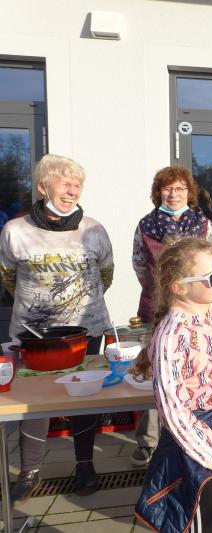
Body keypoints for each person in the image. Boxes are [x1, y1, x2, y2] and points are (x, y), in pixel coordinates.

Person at [0, 154, 114, 501]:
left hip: (85, 331)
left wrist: (76, 306)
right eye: (64, 183)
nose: (72, 190)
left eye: (77, 184)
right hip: (34, 336)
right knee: (33, 402)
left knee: (83, 398)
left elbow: (105, 275)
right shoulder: (15, 231)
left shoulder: (93, 229)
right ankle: (30, 471)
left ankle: (85, 464)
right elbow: (8, 277)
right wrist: (42, 307)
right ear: (42, 187)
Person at [132, 237, 212, 533]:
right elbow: (173, 411)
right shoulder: (171, 334)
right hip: (192, 447)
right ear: (180, 287)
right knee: (201, 526)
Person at [131, 165, 212, 466]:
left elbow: (211, 265)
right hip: (155, 308)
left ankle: (195, 434)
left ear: (189, 192)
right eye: (168, 188)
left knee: (195, 368)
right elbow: (139, 263)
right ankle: (148, 440)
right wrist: (159, 291)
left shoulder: (202, 224)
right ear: (159, 193)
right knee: (153, 371)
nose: (174, 194)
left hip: (196, 309)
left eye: (180, 188)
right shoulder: (146, 225)